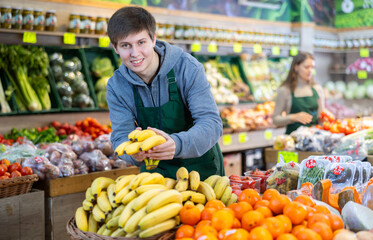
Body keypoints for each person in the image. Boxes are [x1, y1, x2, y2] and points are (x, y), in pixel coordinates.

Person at [106, 6, 224, 180]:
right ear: (115, 48)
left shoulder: (187, 68)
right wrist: (133, 155)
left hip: (202, 172)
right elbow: (120, 137)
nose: (135, 53)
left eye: (141, 42)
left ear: (153, 39)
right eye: (125, 45)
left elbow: (211, 123)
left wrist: (177, 144)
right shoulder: (117, 86)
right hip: (157, 176)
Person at [273, 51, 326, 134]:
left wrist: (326, 117)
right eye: (306, 67)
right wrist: (293, 117)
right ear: (296, 67)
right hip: (292, 140)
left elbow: (321, 116)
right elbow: (275, 119)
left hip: (313, 139)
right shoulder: (285, 90)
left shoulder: (317, 89)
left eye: (312, 67)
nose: (310, 71)